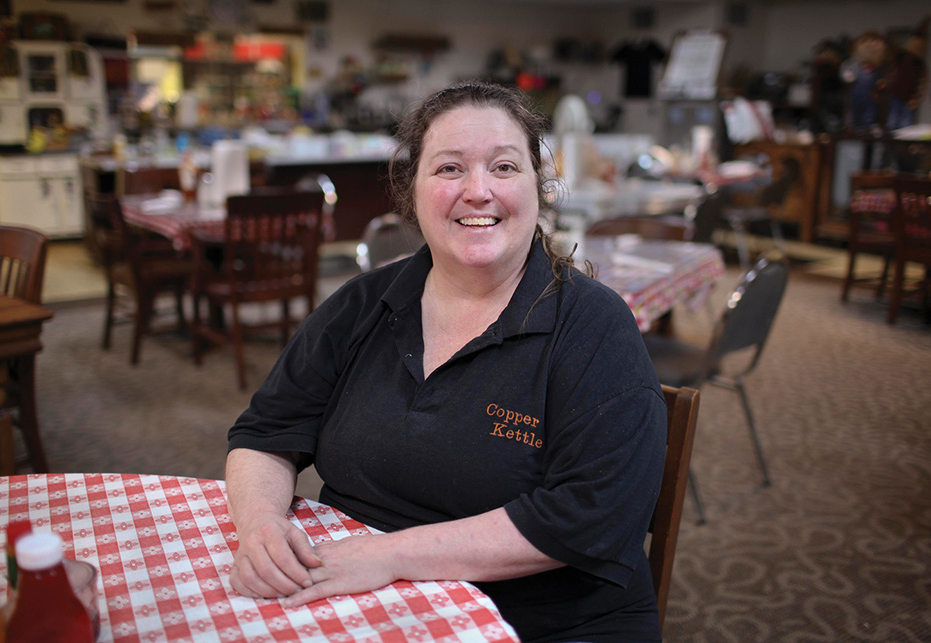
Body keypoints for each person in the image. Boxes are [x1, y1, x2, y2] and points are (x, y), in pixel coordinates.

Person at [226, 81, 667, 643]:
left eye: (504, 167)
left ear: (539, 187)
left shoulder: (593, 325)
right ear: (413, 191)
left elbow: (592, 513)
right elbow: (266, 432)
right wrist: (261, 524)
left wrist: (389, 556)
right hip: (370, 601)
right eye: (449, 168)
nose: (478, 190)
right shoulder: (362, 305)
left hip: (543, 621)